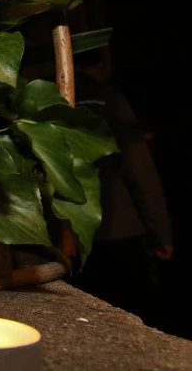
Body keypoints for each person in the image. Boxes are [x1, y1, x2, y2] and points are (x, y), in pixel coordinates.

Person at [67, 50, 173, 326]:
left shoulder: (58, 99)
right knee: (136, 311)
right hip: (118, 228)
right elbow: (140, 170)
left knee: (87, 312)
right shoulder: (110, 101)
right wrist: (161, 231)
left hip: (73, 230)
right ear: (102, 63)